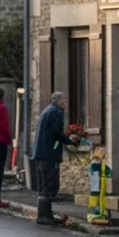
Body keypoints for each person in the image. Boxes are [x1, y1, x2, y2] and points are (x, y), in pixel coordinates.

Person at [31, 91, 79, 226]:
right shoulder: (57, 112)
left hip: (41, 153)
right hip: (49, 155)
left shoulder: (47, 111)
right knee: (51, 184)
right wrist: (70, 141)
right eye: (65, 100)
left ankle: (45, 215)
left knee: (44, 185)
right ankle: (44, 216)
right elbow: (56, 132)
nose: (66, 103)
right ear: (59, 101)